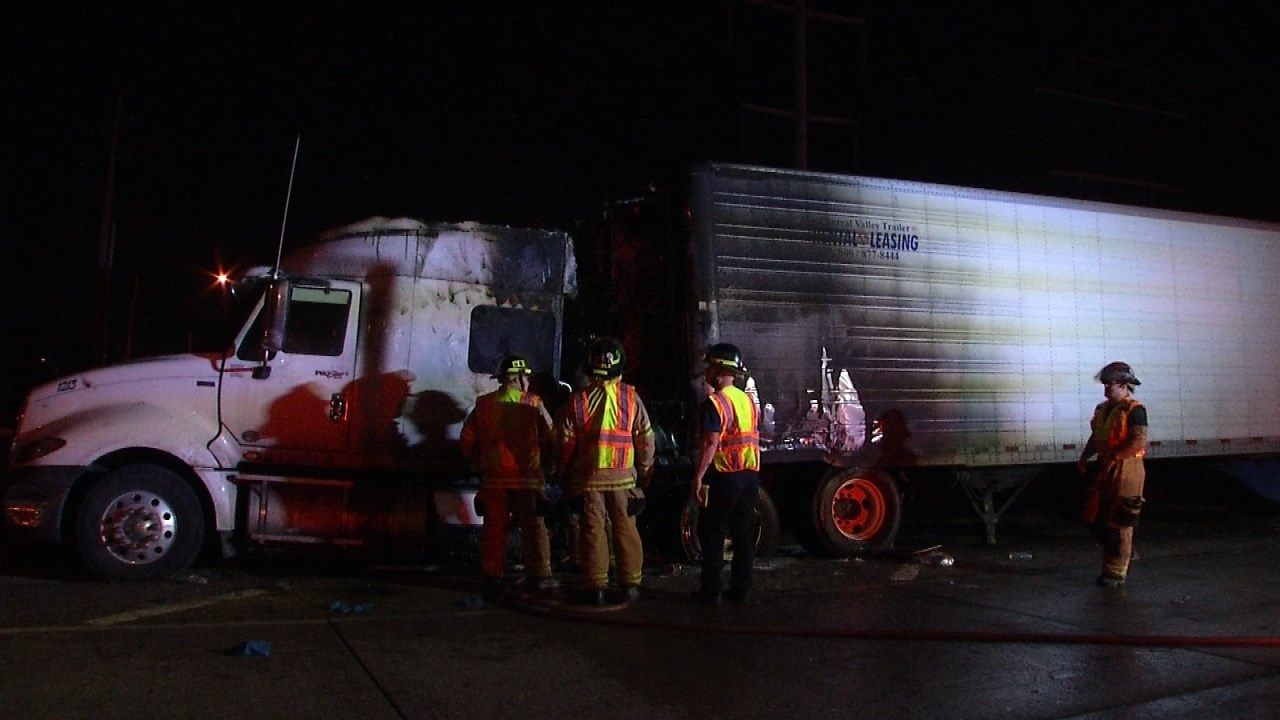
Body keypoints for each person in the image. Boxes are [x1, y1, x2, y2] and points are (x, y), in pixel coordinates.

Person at [556, 336, 655, 605]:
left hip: (588, 480)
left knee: (592, 531)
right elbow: (645, 437)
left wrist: (562, 473)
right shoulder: (632, 397)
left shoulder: (578, 401)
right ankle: (631, 584)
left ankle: (597, 586)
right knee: (625, 529)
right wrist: (645, 472)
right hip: (624, 479)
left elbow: (565, 444)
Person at [459, 354, 557, 600]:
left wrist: (475, 464)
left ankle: (493, 577)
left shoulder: (484, 404)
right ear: (522, 378)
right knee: (534, 528)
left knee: (494, 529)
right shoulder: (534, 403)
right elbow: (551, 438)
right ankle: (540, 576)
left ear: (502, 378)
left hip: (494, 480)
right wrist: (550, 467)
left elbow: (467, 441)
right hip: (528, 480)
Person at [691, 343, 761, 605]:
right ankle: (740, 591)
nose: (707, 371)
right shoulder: (747, 400)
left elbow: (711, 442)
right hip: (749, 476)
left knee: (712, 533)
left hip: (725, 476)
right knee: (743, 535)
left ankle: (711, 592)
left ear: (720, 370)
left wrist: (698, 476)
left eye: (710, 366)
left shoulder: (714, 403)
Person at [1076, 361, 1148, 588]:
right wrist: (1085, 456)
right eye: (1105, 385)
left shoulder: (1135, 409)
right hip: (1106, 467)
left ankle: (1116, 574)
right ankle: (1122, 555)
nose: (1107, 389)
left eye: (1111, 385)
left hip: (1128, 469)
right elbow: (1096, 438)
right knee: (1096, 517)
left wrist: (1116, 457)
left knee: (1121, 520)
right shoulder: (1102, 409)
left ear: (1125, 385)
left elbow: (1138, 441)